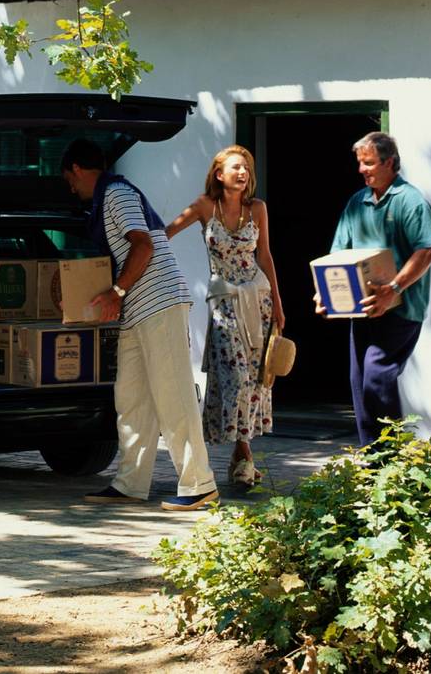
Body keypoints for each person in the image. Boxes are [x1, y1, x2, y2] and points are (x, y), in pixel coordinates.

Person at [60, 138, 219, 511]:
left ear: (78, 170)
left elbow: (142, 245)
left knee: (173, 394)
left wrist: (116, 291)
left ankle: (200, 484)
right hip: (136, 308)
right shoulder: (107, 197)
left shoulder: (116, 193)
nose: (70, 187)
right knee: (131, 399)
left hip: (159, 301)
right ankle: (130, 483)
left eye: (69, 178)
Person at [166, 145, 284, 489]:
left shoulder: (257, 209)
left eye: (246, 167)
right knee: (233, 374)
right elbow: (165, 233)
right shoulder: (205, 206)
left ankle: (243, 452)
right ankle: (241, 454)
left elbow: (265, 255)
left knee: (255, 378)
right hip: (224, 304)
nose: (243, 173)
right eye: (236, 167)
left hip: (258, 300)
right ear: (219, 174)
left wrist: (278, 302)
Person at [318, 132, 431, 446]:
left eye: (369, 163)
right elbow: (337, 256)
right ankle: (373, 459)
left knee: (376, 373)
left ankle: (393, 456)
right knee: (359, 382)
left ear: (390, 162)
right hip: (364, 309)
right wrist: (325, 294)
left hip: (403, 308)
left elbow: (426, 252)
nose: (362, 170)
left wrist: (394, 287)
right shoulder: (356, 202)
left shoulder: (410, 200)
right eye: (360, 163)